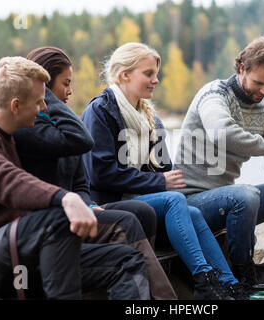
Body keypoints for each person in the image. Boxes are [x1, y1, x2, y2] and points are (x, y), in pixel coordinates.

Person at [0, 56, 150, 300]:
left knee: (125, 260)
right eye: (39, 101)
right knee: (57, 219)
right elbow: (4, 181)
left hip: (16, 255)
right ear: (15, 106)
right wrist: (65, 198)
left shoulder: (12, 138)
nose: (45, 108)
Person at [81, 42, 248, 300]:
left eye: (156, 74)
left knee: (190, 211)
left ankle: (226, 284)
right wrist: (159, 181)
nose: (156, 80)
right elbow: (101, 174)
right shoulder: (100, 111)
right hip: (108, 204)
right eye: (148, 74)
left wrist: (165, 178)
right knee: (173, 200)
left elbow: (165, 170)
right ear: (124, 74)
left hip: (141, 201)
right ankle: (203, 279)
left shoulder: (150, 117)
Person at [13, 46, 176, 300]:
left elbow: (80, 182)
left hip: (77, 210)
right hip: (47, 221)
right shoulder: (30, 128)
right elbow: (82, 139)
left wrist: (87, 203)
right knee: (127, 221)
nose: (70, 91)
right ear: (42, 85)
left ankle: (148, 292)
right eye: (65, 83)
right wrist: (43, 92)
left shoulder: (62, 127)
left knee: (142, 213)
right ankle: (164, 299)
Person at [174, 34, 264, 297]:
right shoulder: (214, 95)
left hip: (229, 201)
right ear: (242, 68)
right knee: (245, 195)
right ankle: (244, 281)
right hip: (190, 204)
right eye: (258, 83)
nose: (263, 91)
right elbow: (222, 132)